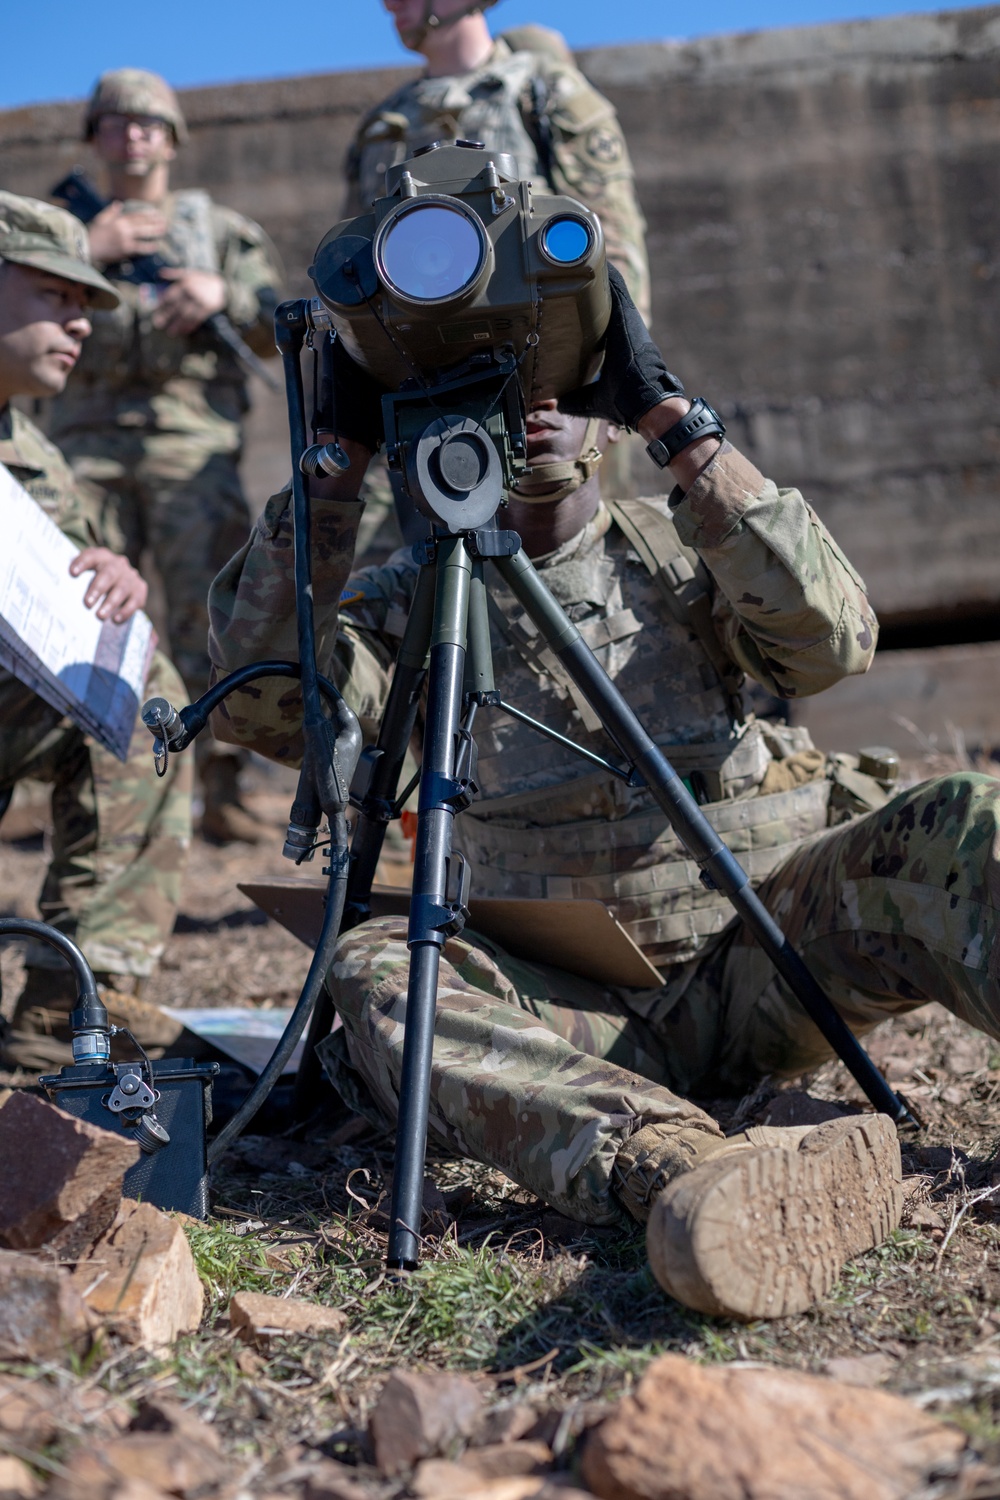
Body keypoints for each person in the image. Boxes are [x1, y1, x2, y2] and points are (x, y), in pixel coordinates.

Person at [205, 272, 1000, 1321]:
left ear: (607, 409)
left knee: (958, 814)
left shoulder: (683, 542)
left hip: (764, 958)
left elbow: (833, 645)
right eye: (492, 388)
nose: (531, 410)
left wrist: (680, 425)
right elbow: (264, 709)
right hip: (573, 1024)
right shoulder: (407, 600)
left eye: (561, 380)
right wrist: (330, 472)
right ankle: (677, 1170)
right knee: (379, 972)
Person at [47, 69, 283, 844]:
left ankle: (219, 788)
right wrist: (85, 248)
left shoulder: (217, 230)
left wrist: (223, 297)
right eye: (116, 121)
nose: (134, 134)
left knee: (207, 620)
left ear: (174, 140)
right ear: (93, 136)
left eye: (151, 122)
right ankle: (73, 791)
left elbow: (275, 322)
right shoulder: (56, 226)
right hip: (84, 449)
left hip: (191, 449)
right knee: (75, 618)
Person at [0, 192, 192, 1072]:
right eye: (55, 296)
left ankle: (70, 1003)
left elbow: (75, 570)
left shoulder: (31, 449)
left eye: (88, 306)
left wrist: (114, 579)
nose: (79, 325)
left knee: (143, 698)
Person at [345, 0, 651, 551]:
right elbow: (362, 274)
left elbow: (610, 245)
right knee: (429, 582)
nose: (390, 4)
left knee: (577, 566)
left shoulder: (545, 91)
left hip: (552, 389)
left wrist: (610, 386)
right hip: (429, 397)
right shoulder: (381, 126)